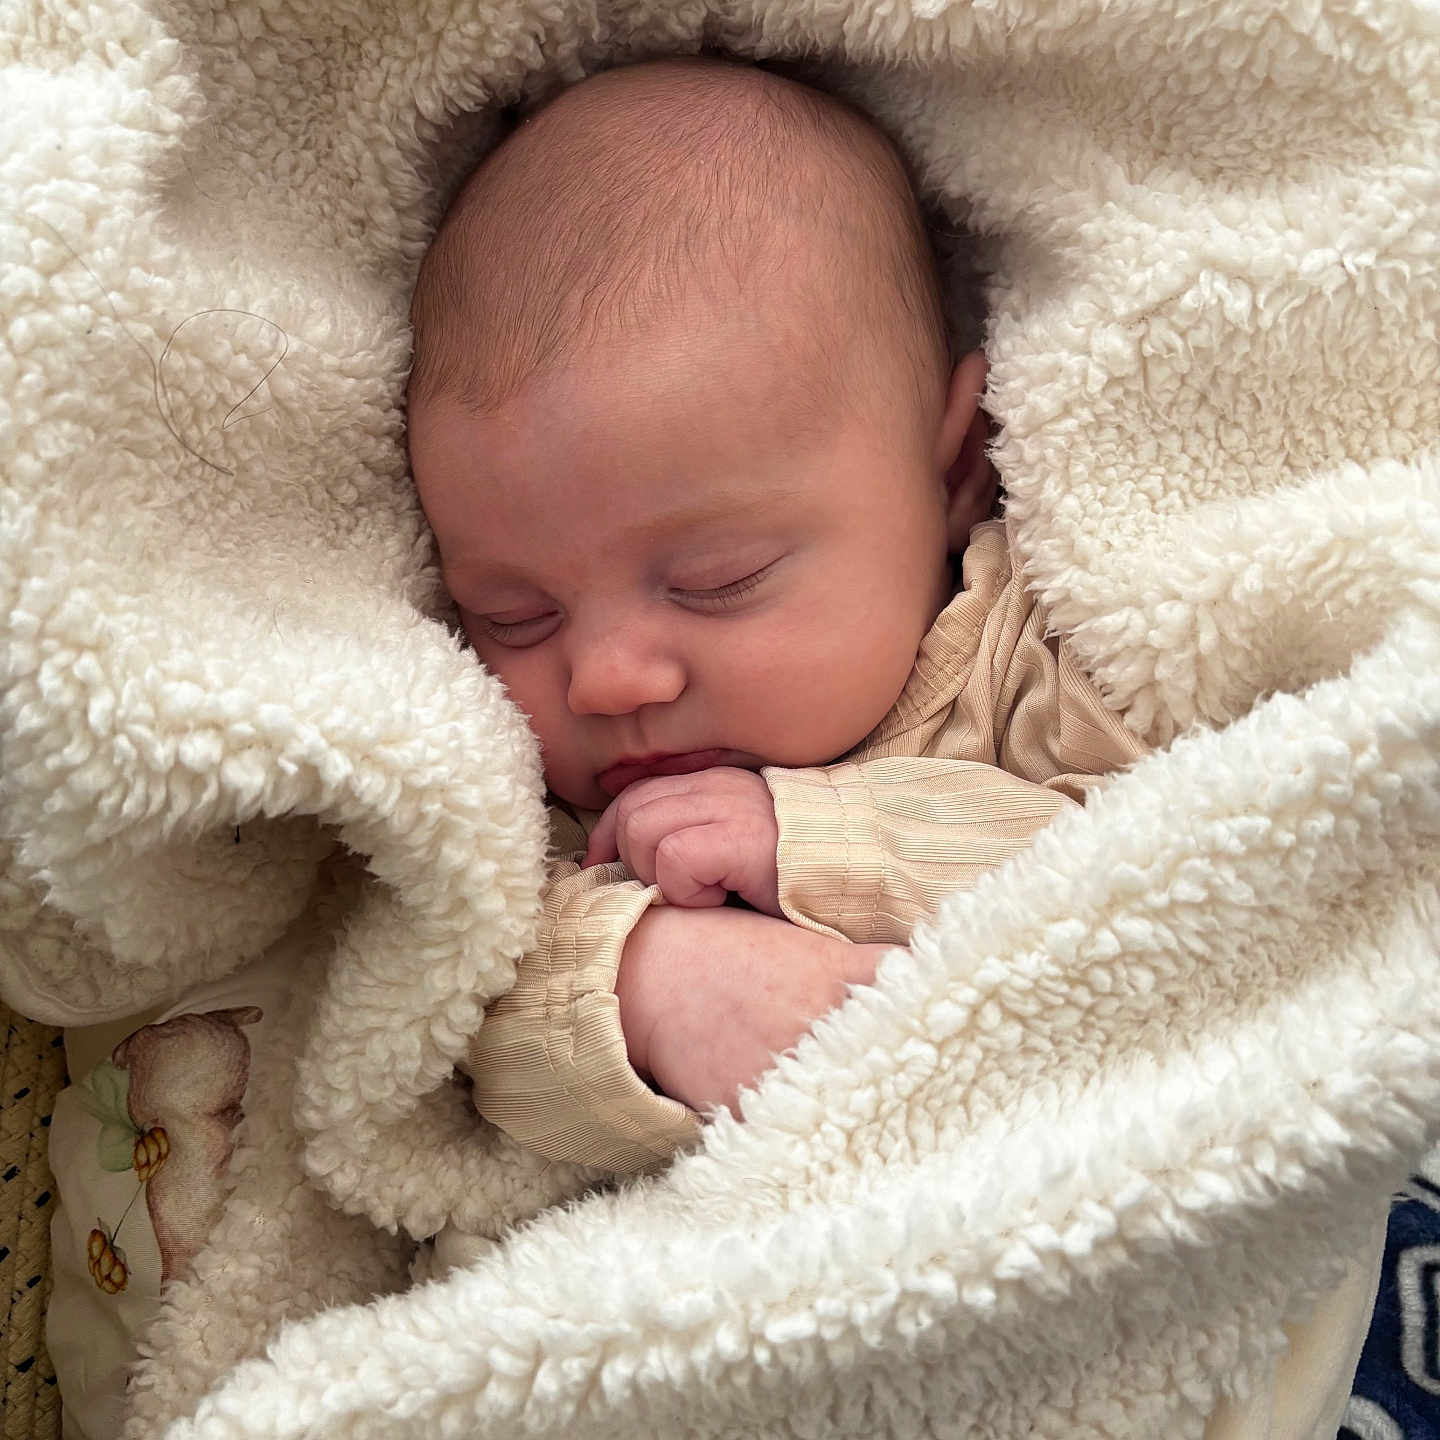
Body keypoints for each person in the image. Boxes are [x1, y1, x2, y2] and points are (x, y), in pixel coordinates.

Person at [405, 55, 1147, 1174]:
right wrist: (651, 985)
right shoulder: (543, 817)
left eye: (717, 579)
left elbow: (1167, 875)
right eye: (514, 616)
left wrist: (814, 838)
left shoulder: (1031, 662)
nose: (605, 679)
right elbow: (464, 1016)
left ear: (953, 474)